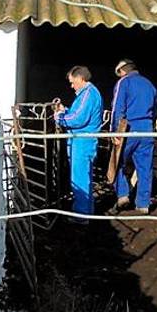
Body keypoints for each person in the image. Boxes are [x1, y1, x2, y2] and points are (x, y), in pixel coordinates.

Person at [109, 59, 157, 214]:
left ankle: (123, 194)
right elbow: (155, 106)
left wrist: (114, 131)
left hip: (129, 127)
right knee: (145, 167)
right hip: (147, 128)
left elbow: (117, 108)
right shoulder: (149, 84)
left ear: (122, 71)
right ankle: (143, 204)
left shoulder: (124, 83)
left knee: (117, 161)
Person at [55, 65, 104, 217]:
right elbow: (77, 114)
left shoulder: (88, 94)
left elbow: (78, 119)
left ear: (80, 78)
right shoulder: (86, 95)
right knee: (83, 177)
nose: (71, 86)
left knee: (80, 179)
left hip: (82, 141)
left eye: (72, 82)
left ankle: (81, 215)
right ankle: (86, 212)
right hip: (82, 140)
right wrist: (66, 111)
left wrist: (60, 117)